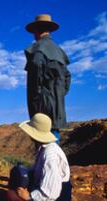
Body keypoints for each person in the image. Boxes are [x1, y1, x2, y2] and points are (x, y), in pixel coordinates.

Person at [5, 113, 71, 201]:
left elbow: (52, 192)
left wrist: (29, 197)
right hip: (49, 193)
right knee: (17, 171)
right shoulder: (46, 147)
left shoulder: (50, 155)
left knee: (9, 196)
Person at [24, 14, 71, 142]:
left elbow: (35, 81)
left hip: (42, 109)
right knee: (54, 142)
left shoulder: (38, 49)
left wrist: (38, 101)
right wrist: (58, 94)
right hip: (57, 107)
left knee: (43, 144)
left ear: (36, 31)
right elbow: (67, 76)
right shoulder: (59, 51)